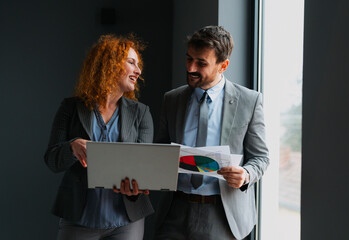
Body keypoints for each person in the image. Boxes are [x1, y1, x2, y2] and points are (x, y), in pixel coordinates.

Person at [155, 26, 269, 240]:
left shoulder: (248, 101)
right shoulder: (171, 99)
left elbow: (261, 158)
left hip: (222, 214)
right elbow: (160, 150)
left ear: (223, 66)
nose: (190, 67)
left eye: (201, 63)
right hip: (174, 211)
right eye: (189, 59)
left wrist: (245, 174)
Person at [44, 34, 154, 240]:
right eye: (131, 62)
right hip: (78, 218)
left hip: (126, 222)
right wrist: (71, 147)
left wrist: (137, 187)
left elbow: (143, 167)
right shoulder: (70, 107)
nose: (138, 71)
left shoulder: (141, 113)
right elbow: (52, 160)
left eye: (138, 65)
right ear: (109, 64)